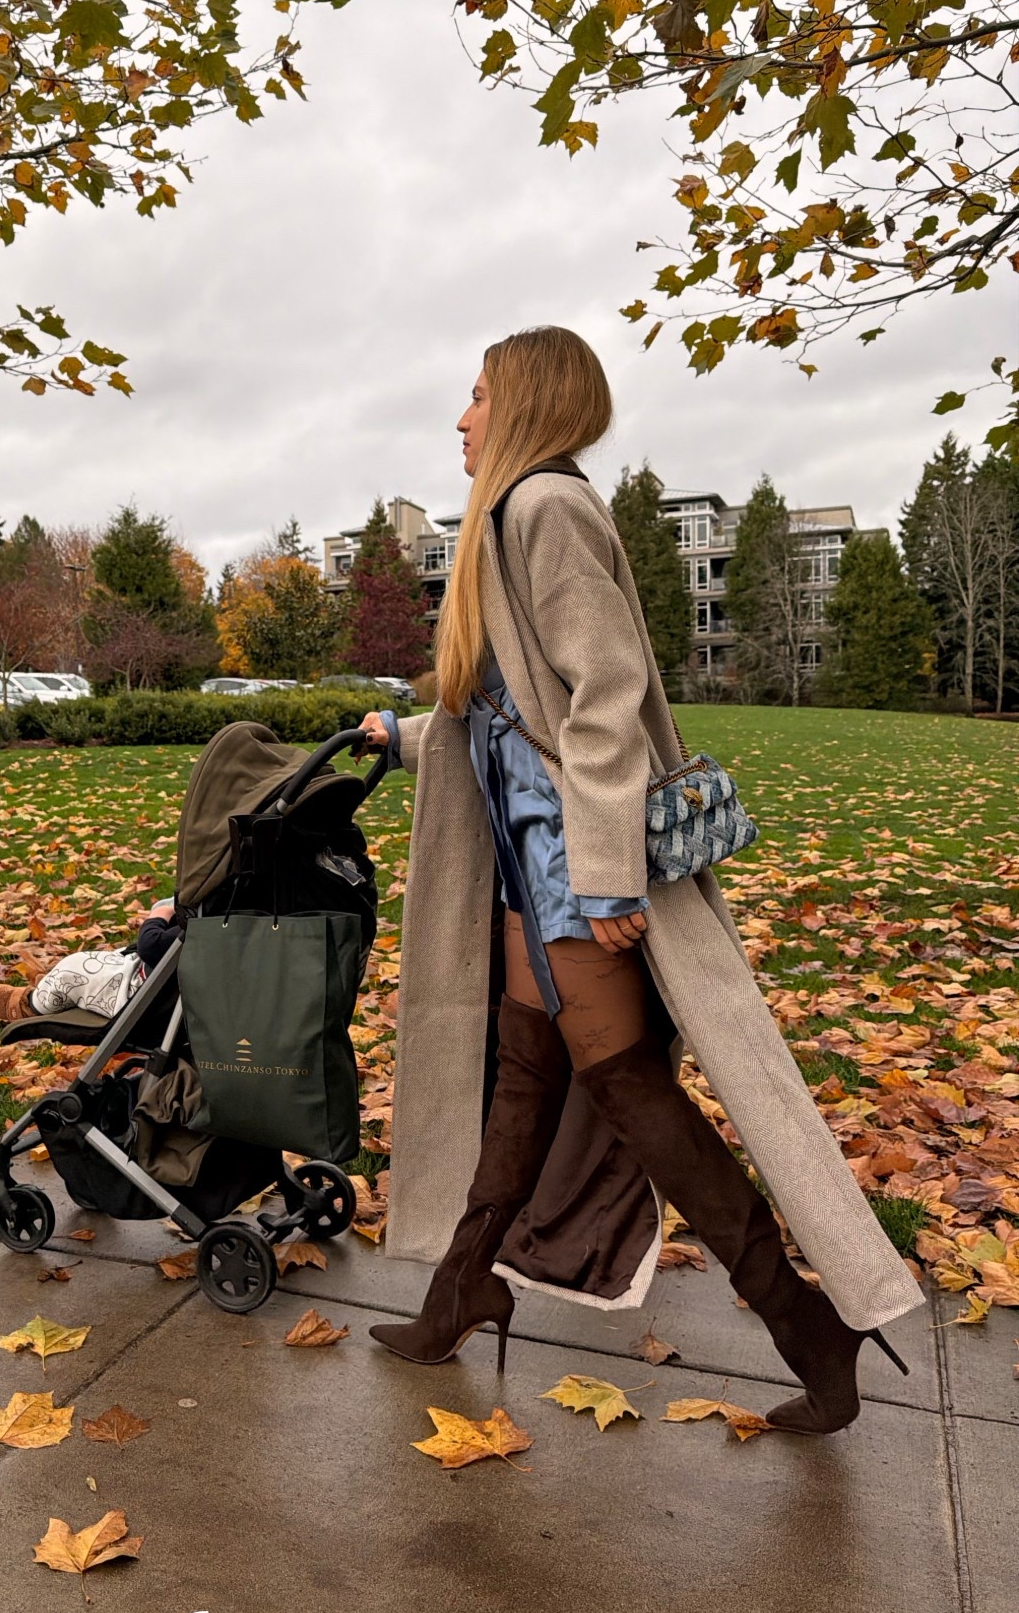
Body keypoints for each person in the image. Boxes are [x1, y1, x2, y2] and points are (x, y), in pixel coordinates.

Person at [360, 326, 919, 1435]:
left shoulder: (543, 507)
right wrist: (405, 733)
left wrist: (612, 881)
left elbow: (602, 697)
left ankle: (807, 1324)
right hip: (535, 863)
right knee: (525, 1077)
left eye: (476, 397)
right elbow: (511, 719)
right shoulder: (510, 519)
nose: (460, 421)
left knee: (631, 1092)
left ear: (522, 404)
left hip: (578, 864)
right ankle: (460, 1287)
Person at [0, 898, 182, 1024]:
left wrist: (159, 915)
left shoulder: (203, 928)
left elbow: (152, 945)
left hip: (149, 995)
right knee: (106, 959)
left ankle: (31, 1005)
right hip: (171, 981)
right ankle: (54, 987)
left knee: (73, 970)